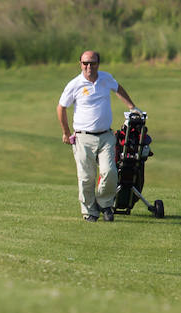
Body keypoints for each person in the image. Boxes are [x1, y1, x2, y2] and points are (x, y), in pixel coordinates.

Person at [57, 51, 141, 222]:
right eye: (85, 63)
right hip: (83, 137)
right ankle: (89, 212)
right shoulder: (75, 84)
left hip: (106, 136)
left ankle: (104, 204)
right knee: (86, 177)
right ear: (80, 64)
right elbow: (61, 107)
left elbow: (118, 88)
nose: (89, 67)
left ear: (98, 64)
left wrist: (132, 107)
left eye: (92, 63)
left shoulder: (105, 78)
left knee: (110, 172)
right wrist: (66, 132)